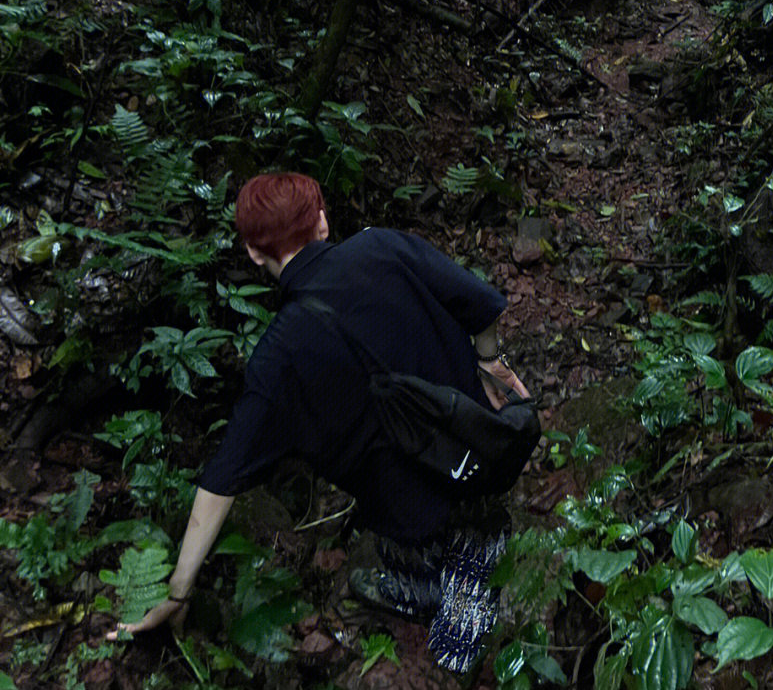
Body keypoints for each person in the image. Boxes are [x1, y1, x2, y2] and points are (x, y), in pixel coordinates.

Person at [109, 172, 529, 675]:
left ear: (254, 253)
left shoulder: (276, 359)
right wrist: (490, 363)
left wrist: (179, 590)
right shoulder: (385, 248)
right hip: (481, 454)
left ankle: (426, 584)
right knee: (464, 532)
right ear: (323, 222)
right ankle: (478, 557)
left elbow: (224, 475)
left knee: (393, 555)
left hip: (410, 516)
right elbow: (480, 303)